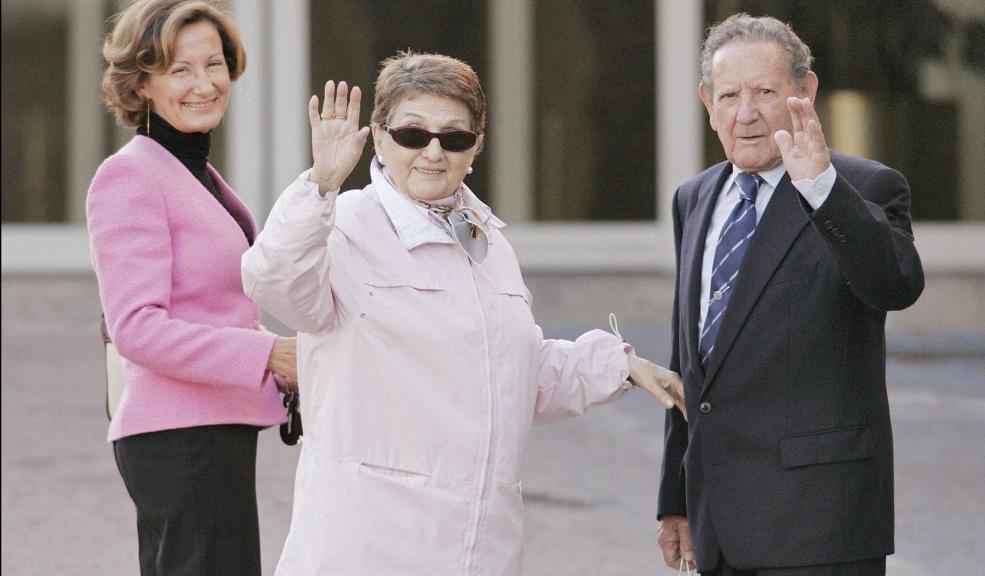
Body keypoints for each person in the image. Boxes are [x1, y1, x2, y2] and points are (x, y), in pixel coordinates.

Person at [241, 51, 685, 575]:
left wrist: (618, 364)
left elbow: (512, 374)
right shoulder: (344, 225)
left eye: (454, 137)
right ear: (379, 138)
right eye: (412, 134)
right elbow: (274, 281)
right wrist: (320, 185)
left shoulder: (488, 241)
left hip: (481, 549)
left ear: (476, 147)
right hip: (370, 547)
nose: (433, 152)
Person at [655, 13, 925, 576]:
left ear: (806, 92)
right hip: (717, 524)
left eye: (765, 92)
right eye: (729, 95)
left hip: (821, 526)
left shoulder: (864, 187)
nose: (746, 113)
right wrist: (675, 498)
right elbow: (694, 360)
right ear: (707, 102)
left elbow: (896, 286)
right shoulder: (693, 199)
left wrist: (822, 188)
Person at [87, 1, 297, 574]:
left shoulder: (195, 175)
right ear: (142, 83)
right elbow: (137, 329)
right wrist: (269, 352)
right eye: (180, 69)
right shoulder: (130, 176)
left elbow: (212, 307)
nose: (203, 83)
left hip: (208, 434)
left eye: (214, 64)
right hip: (181, 439)